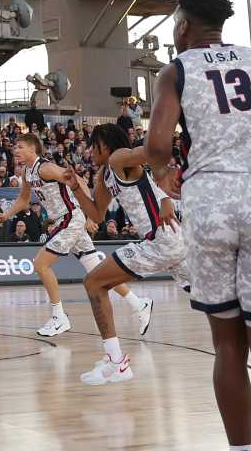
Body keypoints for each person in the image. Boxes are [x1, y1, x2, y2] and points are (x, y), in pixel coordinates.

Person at [143, 0, 251, 451]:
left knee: (228, 345)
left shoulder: (176, 70)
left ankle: (239, 448)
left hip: (210, 199)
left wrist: (164, 173)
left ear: (183, 26)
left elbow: (157, 146)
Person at [64, 123, 187, 386]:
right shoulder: (105, 175)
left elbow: (155, 151)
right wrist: (75, 187)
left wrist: (165, 192)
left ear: (105, 145)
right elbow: (96, 214)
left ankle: (117, 362)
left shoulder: (119, 157)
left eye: (92, 143)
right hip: (170, 242)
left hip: (161, 240)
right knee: (216, 304)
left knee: (94, 282)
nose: (88, 149)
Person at [0, 131, 101, 337]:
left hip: (70, 217)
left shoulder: (46, 167)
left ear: (32, 149)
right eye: (14, 147)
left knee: (40, 264)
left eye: (20, 147)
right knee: (96, 269)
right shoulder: (27, 172)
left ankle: (59, 317)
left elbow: (79, 180)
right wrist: (6, 215)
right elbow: (23, 201)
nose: (15, 150)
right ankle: (138, 303)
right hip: (65, 220)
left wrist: (90, 214)